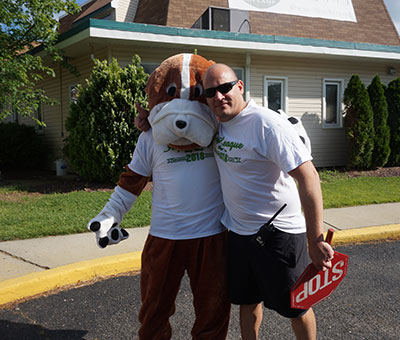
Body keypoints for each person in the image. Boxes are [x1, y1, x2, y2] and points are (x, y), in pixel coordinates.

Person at [202, 64, 334, 340]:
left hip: (280, 234)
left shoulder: (267, 124)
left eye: (224, 88)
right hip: (239, 234)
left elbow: (308, 177)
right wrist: (147, 121)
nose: (218, 96)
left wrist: (314, 239)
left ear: (239, 87)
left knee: (295, 306)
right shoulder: (217, 121)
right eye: (210, 92)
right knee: (247, 300)